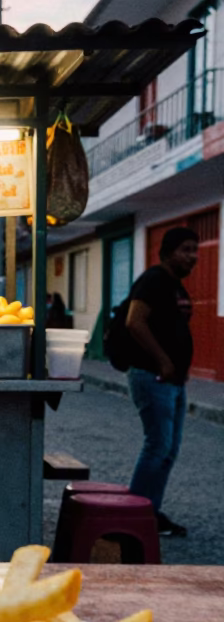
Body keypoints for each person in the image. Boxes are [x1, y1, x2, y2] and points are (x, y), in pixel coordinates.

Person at [125, 225, 199, 538]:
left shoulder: (175, 286)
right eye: (186, 250)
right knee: (157, 446)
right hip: (152, 375)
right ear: (168, 252)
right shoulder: (154, 280)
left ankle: (150, 512)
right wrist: (164, 360)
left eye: (195, 250)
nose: (193, 257)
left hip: (173, 380)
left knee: (168, 450)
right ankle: (135, 515)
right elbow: (134, 321)